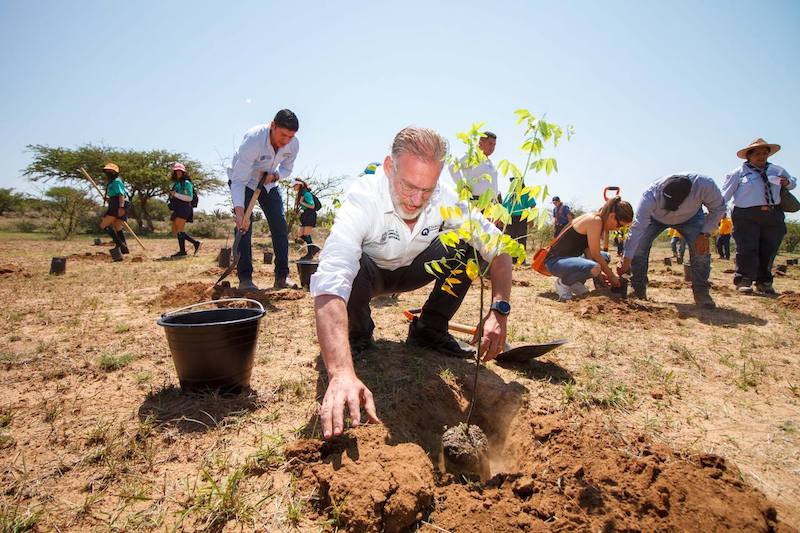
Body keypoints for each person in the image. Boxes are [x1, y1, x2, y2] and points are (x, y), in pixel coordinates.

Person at [311, 127, 513, 440]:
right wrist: (339, 372)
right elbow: (331, 281)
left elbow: (499, 247)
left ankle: (430, 330)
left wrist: (499, 310)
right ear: (389, 167)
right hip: (369, 275)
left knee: (468, 246)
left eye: (427, 189)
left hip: (417, 268)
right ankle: (358, 336)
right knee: (348, 272)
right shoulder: (364, 196)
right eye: (407, 186)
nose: (417, 200)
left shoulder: (445, 197)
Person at [619, 174, 725, 309]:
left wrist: (705, 233)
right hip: (655, 218)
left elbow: (719, 208)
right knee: (639, 246)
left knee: (701, 250)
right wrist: (626, 259)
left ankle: (701, 292)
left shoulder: (705, 186)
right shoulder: (650, 195)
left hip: (691, 218)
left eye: (674, 205)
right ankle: (637, 288)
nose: (670, 209)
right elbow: (637, 229)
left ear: (689, 194)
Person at [228, 109, 300, 290]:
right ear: (272, 125)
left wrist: (274, 176)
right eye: (283, 135)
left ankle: (282, 277)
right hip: (243, 182)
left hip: (268, 183)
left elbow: (286, 169)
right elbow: (238, 180)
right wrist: (239, 212)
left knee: (280, 226)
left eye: (290, 137)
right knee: (245, 227)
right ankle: (245, 279)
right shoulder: (253, 140)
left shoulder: (293, 144)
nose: (286, 141)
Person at [722, 138, 796, 295]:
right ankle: (743, 280)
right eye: (757, 153)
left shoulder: (777, 170)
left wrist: (787, 182)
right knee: (746, 247)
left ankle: (764, 282)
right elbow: (725, 195)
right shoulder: (738, 173)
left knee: (769, 248)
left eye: (764, 153)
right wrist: (717, 211)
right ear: (749, 156)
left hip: (773, 214)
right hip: (745, 215)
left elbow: (793, 183)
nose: (761, 156)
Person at [545, 197, 633, 301]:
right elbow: (595, 254)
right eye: (619, 225)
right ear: (612, 216)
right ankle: (564, 283)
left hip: (567, 261)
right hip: (554, 262)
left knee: (604, 257)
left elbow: (589, 254)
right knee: (595, 266)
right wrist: (611, 276)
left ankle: (575, 283)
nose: (617, 229)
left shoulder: (596, 220)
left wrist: (600, 277)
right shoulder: (595, 221)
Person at [448, 131, 501, 201]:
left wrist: (497, 194)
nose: (492, 147)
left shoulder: (490, 162)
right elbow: (452, 166)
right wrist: (462, 186)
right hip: (475, 201)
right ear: (481, 143)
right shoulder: (472, 156)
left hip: (491, 204)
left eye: (494, 145)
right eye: (490, 144)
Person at [168, 163, 202, 257]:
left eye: (180, 171)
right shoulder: (176, 183)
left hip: (184, 207)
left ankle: (186, 249)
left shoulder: (186, 183)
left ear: (183, 172)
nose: (178, 172)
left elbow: (189, 198)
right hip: (178, 208)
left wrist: (175, 195)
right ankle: (194, 244)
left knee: (179, 229)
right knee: (176, 230)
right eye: (176, 171)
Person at [99, 163, 129, 256]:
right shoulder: (111, 182)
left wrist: (121, 207)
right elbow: (114, 195)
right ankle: (124, 249)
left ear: (115, 172)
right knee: (117, 226)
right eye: (106, 171)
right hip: (114, 203)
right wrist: (108, 199)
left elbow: (121, 194)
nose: (108, 172)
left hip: (119, 204)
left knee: (103, 225)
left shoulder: (116, 181)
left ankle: (120, 244)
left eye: (110, 171)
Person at [502, 180, 537, 261]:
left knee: (522, 239)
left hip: (522, 217)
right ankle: (512, 259)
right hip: (510, 219)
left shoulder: (526, 193)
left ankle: (521, 259)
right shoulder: (509, 194)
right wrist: (502, 221)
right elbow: (503, 208)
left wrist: (531, 219)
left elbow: (533, 206)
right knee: (511, 239)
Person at [292, 178, 318, 260]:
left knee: (306, 234)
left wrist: (301, 202)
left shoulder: (306, 194)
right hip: (305, 215)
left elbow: (312, 206)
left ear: (299, 185)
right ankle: (313, 249)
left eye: (294, 185)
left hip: (310, 214)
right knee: (300, 235)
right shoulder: (301, 194)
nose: (293, 187)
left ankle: (310, 253)